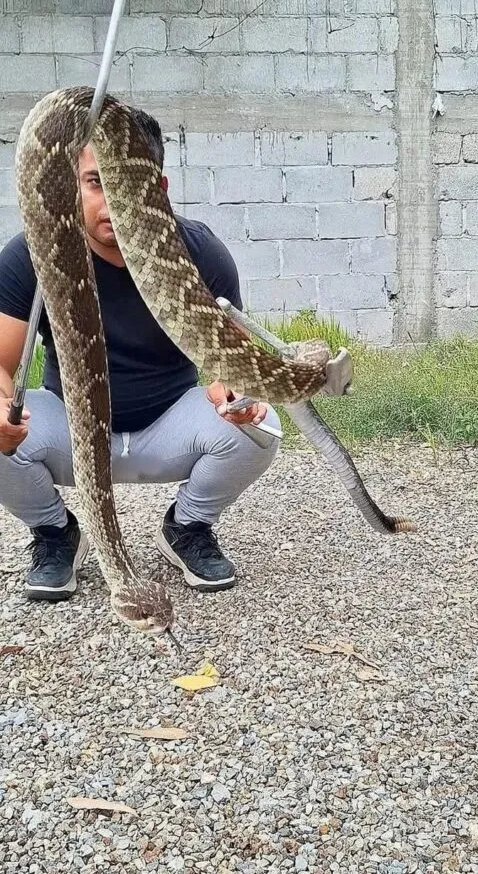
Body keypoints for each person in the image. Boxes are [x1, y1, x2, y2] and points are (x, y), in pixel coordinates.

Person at [0, 107, 281, 603]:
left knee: (262, 429)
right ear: (72, 184)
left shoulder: (199, 254)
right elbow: (2, 366)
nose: (111, 203)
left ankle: (188, 525)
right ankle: (55, 533)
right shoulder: (33, 253)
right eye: (94, 182)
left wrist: (236, 396)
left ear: (160, 187)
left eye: (128, 183)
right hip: (71, 427)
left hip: (167, 425)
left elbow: (222, 368)